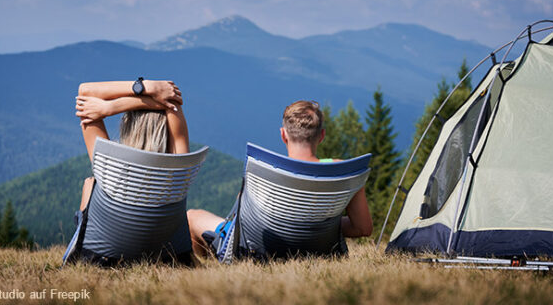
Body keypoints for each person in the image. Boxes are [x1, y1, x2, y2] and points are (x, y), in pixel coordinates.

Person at [187, 100, 373, 257]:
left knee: (192, 216)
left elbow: (240, 220)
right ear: (322, 136)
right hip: (320, 251)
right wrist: (319, 225)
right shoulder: (344, 172)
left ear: (283, 135)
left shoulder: (261, 172)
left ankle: (211, 268)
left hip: (259, 254)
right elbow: (362, 228)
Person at [74, 78, 189, 219]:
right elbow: (173, 103)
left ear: (127, 125)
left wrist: (112, 107)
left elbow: (85, 93)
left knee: (90, 183)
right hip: (164, 238)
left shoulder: (108, 166)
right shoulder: (180, 166)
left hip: (110, 239)